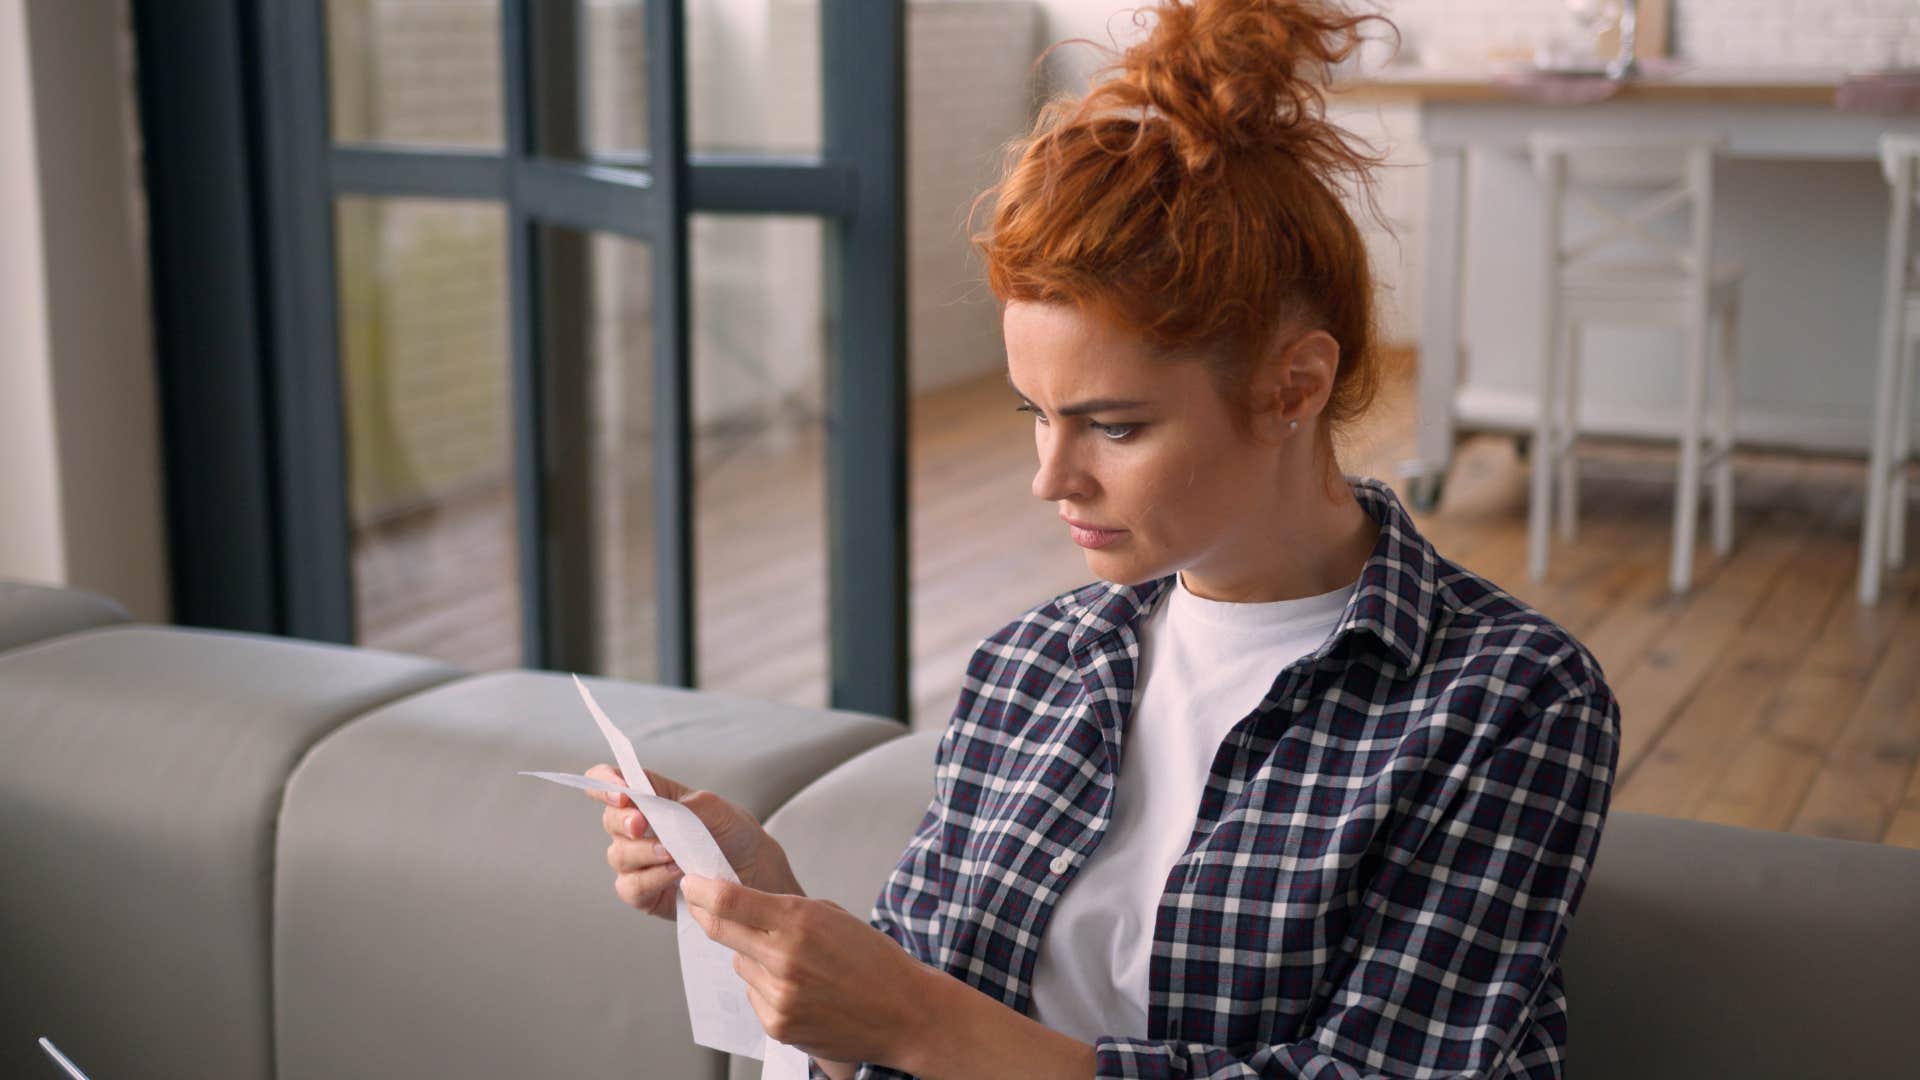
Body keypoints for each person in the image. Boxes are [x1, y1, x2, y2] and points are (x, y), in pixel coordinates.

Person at [580, 1, 1621, 1076]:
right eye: (1036, 413)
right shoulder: (1031, 666)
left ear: (1293, 387)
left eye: (1114, 426)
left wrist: (914, 1023)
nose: (1050, 478)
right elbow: (910, 1030)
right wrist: (773, 913)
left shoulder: (1508, 701)